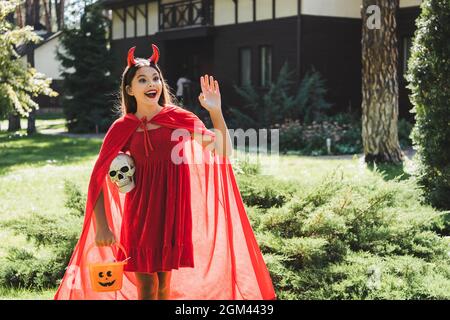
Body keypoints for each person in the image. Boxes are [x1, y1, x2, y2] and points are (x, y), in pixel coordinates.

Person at [54, 43, 276, 300]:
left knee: (162, 287)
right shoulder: (122, 127)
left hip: (173, 214)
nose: (152, 84)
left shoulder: (179, 118)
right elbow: (97, 178)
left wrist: (215, 112)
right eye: (143, 79)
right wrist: (102, 226)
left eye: (156, 78)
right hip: (141, 216)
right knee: (147, 288)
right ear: (129, 89)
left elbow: (223, 150)